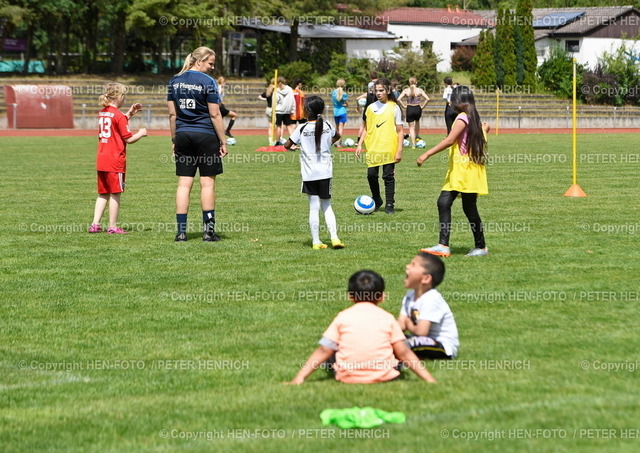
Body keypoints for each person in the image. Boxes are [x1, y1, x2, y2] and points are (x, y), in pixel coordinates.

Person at [289, 270, 437, 384]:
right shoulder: (387, 318)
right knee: (398, 344)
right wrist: (429, 379)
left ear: (350, 296)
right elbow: (404, 353)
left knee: (333, 348)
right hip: (384, 375)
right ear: (382, 297)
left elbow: (324, 350)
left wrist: (299, 378)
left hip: (347, 376)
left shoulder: (343, 317)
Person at [417, 85, 490, 257]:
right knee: (465, 207)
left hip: (462, 170)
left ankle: (447, 245)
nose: (450, 102)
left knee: (447, 203)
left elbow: (450, 140)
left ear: (459, 101)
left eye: (452, 98)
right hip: (469, 169)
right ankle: (479, 247)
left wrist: (426, 154)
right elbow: (477, 136)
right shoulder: (474, 117)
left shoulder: (462, 118)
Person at [167, 46, 228, 242]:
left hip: (183, 135)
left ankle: (181, 232)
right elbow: (214, 114)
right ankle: (208, 232)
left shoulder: (174, 81)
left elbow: (172, 115)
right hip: (205, 135)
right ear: (199, 61)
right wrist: (223, 140)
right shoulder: (208, 82)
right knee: (207, 184)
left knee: (184, 184)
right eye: (210, 63)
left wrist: (174, 139)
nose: (212, 67)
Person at [284, 96, 345, 250]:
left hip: (309, 174)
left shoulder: (301, 128)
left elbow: (287, 145)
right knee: (327, 206)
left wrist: (297, 146)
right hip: (325, 172)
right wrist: (328, 144)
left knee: (313, 207)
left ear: (307, 110)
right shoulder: (327, 125)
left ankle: (316, 242)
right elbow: (337, 136)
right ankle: (335, 238)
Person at [89, 82, 147, 234]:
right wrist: (140, 133)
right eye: (124, 96)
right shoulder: (118, 116)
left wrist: (129, 114)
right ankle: (113, 226)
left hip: (102, 159)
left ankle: (95, 224)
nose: (124, 99)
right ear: (118, 97)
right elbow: (128, 139)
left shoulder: (103, 112)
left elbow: (115, 123)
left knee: (103, 193)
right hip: (115, 161)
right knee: (115, 193)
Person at [355, 78, 404, 215]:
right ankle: (377, 199)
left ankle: (390, 205)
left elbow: (400, 131)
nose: (378, 93)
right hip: (373, 148)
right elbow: (366, 128)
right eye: (376, 91)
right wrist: (359, 144)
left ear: (388, 90)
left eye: (381, 90)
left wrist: (399, 150)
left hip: (389, 148)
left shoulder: (394, 108)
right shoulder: (370, 108)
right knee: (371, 175)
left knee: (388, 177)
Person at [397, 253, 459, 360]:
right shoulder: (409, 296)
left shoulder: (431, 299)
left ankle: (400, 362)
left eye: (413, 265)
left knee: (406, 343)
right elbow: (400, 324)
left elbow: (421, 332)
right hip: (421, 340)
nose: (407, 266)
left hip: (442, 346)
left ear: (426, 279)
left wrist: (407, 323)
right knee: (392, 340)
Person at [397, 77, 430, 149]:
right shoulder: (419, 90)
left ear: (409, 82)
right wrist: (423, 106)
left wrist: (404, 106)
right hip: (418, 108)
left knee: (411, 128)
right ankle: (417, 136)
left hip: (410, 108)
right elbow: (427, 99)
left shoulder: (406, 90)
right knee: (417, 122)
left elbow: (399, 99)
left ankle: (413, 145)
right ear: (416, 82)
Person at [355, 71, 378, 143]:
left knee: (363, 125)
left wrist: (358, 107)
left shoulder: (367, 93)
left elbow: (357, 99)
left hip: (367, 109)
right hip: (375, 109)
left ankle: (358, 140)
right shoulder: (378, 91)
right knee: (375, 125)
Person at [275, 76, 295, 145]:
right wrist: (293, 110)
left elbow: (276, 100)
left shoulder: (277, 90)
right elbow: (293, 100)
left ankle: (277, 141)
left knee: (278, 126)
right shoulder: (289, 89)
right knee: (289, 126)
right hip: (287, 111)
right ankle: (293, 142)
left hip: (279, 111)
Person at [331, 78, 349, 147]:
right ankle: (338, 143)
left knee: (337, 128)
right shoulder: (344, 93)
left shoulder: (333, 92)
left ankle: (335, 142)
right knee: (341, 129)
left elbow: (333, 102)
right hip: (342, 111)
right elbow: (347, 104)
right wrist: (344, 105)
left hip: (335, 111)